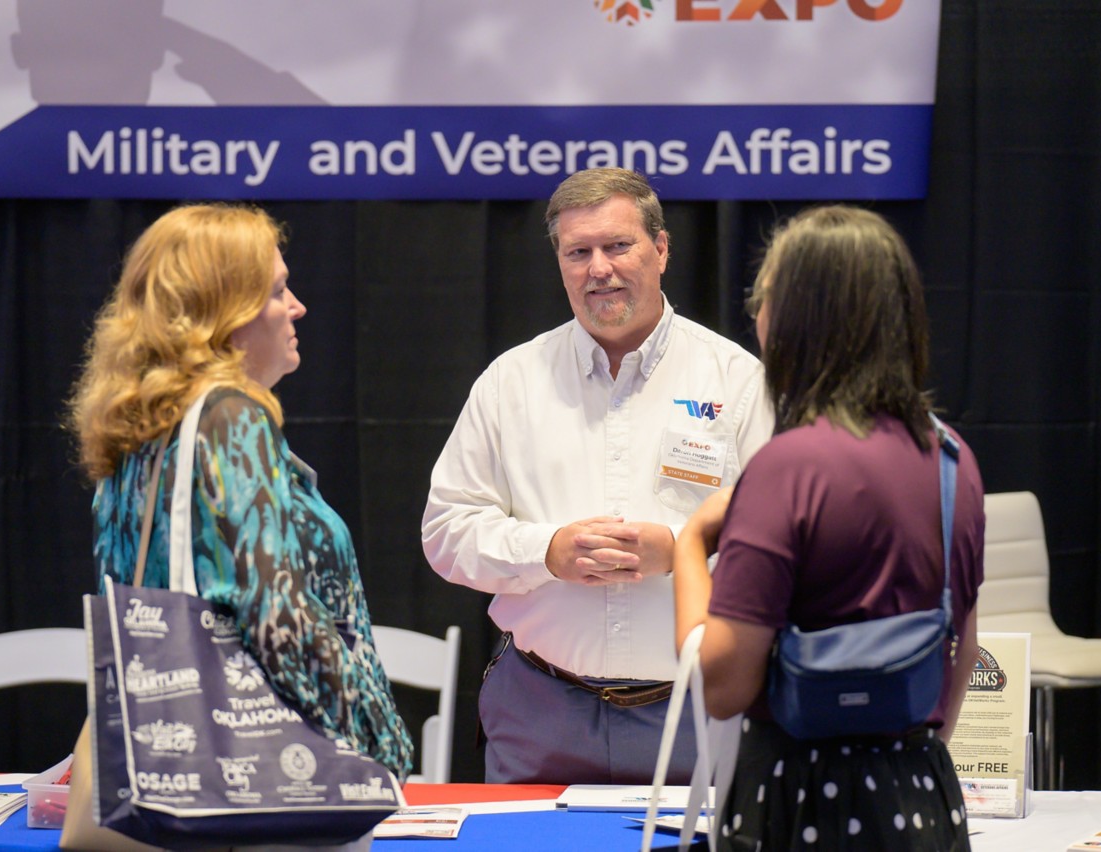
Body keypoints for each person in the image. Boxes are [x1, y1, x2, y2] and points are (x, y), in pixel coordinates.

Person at [422, 168, 774, 784]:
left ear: (661, 250)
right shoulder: (511, 382)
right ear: (559, 263)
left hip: (695, 714)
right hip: (539, 712)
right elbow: (447, 532)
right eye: (578, 252)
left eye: (617, 246)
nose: (598, 268)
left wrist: (682, 552)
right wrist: (546, 551)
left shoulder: (738, 382)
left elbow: (783, 551)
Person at [674, 205, 985, 851]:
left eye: (765, 300)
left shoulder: (788, 467)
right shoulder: (953, 459)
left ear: (799, 321)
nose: (756, 319)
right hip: (921, 792)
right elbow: (959, 651)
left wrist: (689, 544)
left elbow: (724, 688)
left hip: (799, 800)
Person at [67, 203, 412, 780]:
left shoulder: (138, 431)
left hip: (169, 768)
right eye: (278, 290)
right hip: (261, 780)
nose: (297, 306)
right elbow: (280, 619)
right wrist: (382, 749)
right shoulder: (231, 418)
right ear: (222, 314)